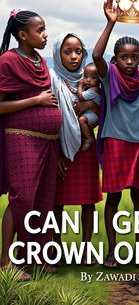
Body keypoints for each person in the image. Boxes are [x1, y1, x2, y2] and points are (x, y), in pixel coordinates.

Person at [93, 0, 139, 268]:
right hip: (114, 142)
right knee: (113, 197)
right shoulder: (108, 74)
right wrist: (110, 23)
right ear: (116, 59)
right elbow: (97, 56)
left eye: (134, 57)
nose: (130, 61)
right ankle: (113, 250)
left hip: (138, 143)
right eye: (124, 57)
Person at [0, 10, 62, 276]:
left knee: (42, 200)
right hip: (20, 137)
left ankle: (34, 257)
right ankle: (4, 260)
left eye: (45, 29)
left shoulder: (41, 61)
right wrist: (35, 101)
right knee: (21, 197)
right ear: (23, 35)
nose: (45, 34)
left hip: (48, 141)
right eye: (40, 30)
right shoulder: (7, 61)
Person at [50, 32, 102, 265]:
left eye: (78, 51)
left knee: (88, 202)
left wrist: (90, 103)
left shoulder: (93, 78)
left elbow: (105, 110)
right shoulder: (51, 79)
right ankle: (57, 247)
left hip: (86, 147)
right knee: (56, 202)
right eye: (67, 51)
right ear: (58, 54)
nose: (73, 56)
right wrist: (56, 153)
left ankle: (85, 248)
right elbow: (48, 117)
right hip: (59, 146)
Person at [77, 63, 101, 152]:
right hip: (91, 112)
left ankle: (89, 138)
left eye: (93, 77)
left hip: (93, 114)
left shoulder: (94, 90)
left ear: (99, 80)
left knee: (82, 120)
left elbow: (81, 97)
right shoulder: (91, 89)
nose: (88, 80)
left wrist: (80, 85)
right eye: (85, 76)